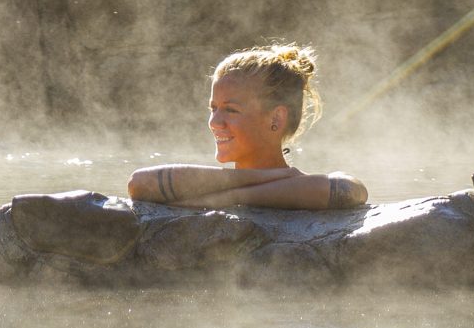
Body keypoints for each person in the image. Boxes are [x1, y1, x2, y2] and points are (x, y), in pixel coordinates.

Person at [127, 43, 368, 210]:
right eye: (213, 109)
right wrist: (268, 177)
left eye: (230, 110)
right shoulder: (291, 182)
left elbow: (353, 190)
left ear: (276, 119)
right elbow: (138, 183)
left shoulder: (306, 187)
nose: (214, 122)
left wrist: (233, 198)